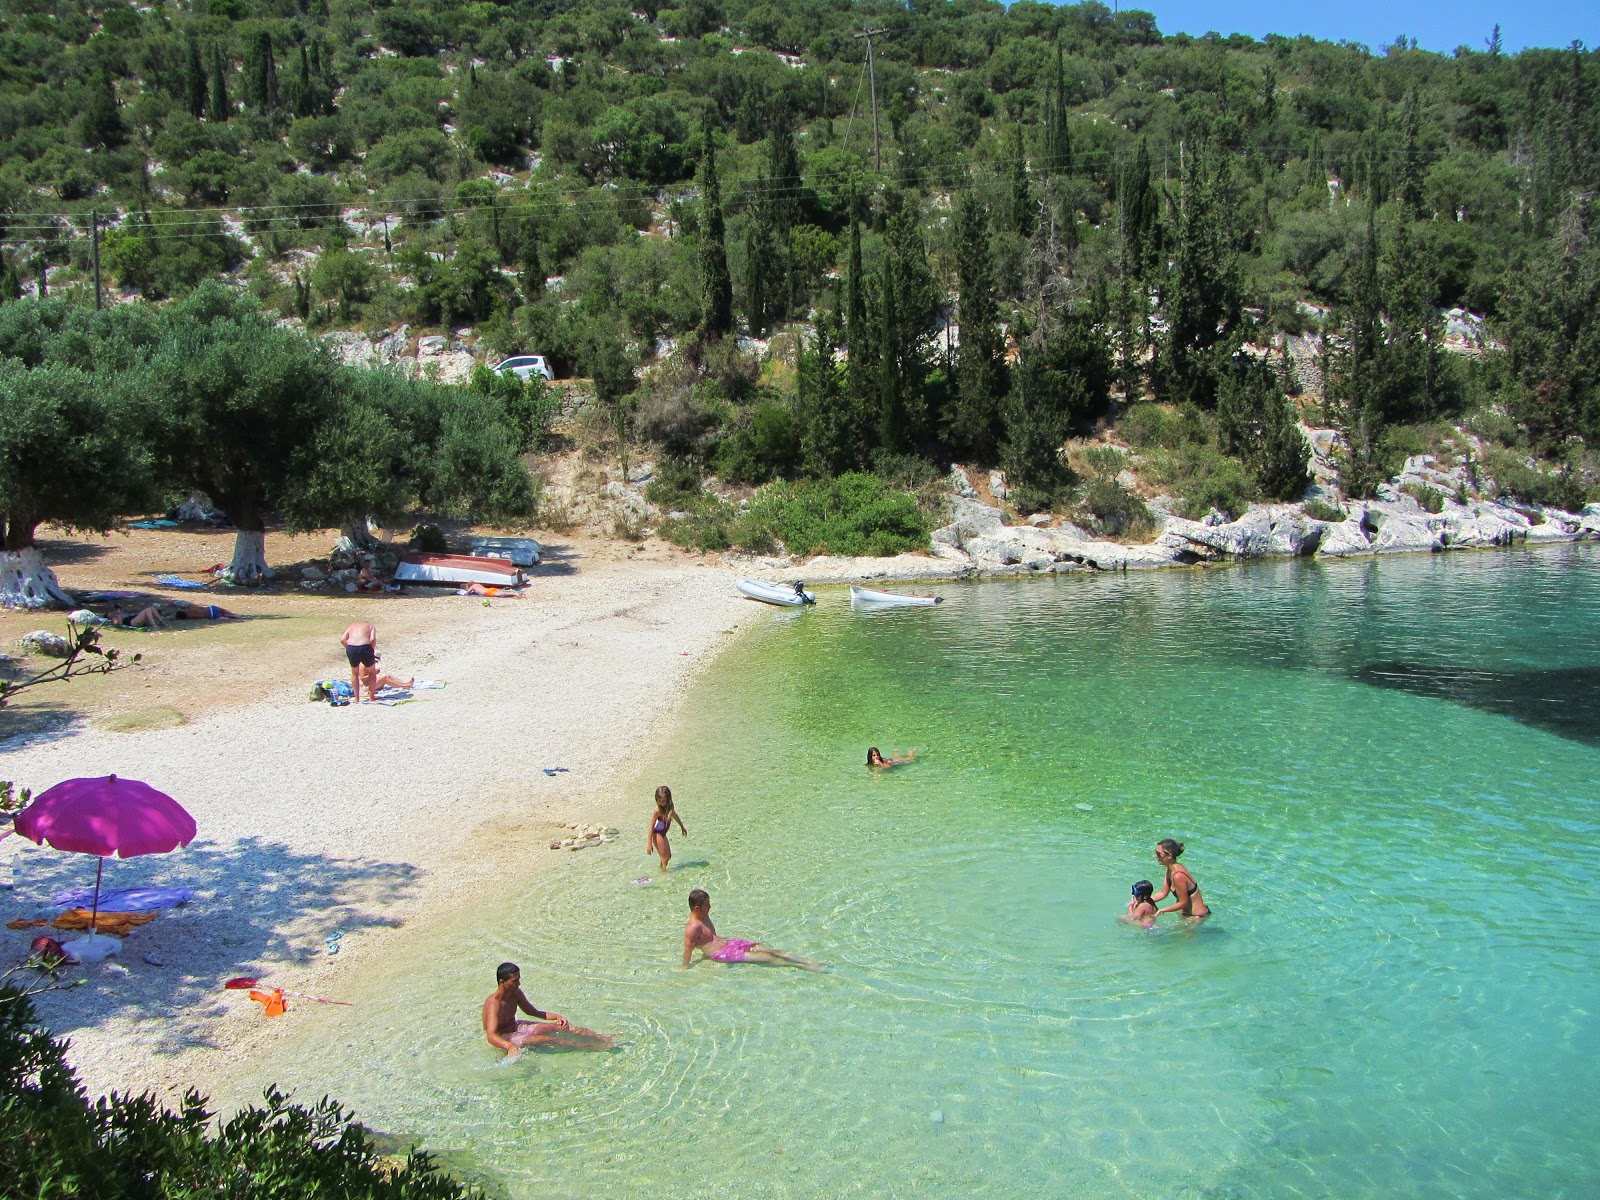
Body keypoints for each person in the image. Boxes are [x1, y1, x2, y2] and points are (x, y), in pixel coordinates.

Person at [482, 962, 612, 1057]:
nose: (518, 984)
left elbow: (533, 1012)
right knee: (546, 1039)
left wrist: (556, 1016)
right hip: (505, 1037)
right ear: (502, 982)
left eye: (519, 980)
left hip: (516, 1027)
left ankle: (604, 1038)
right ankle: (590, 1047)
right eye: (514, 981)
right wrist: (509, 1046)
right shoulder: (494, 1003)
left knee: (563, 1027)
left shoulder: (516, 993)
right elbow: (491, 1036)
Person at [683, 888, 824, 971]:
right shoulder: (693, 928)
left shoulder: (704, 916)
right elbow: (688, 950)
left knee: (770, 950)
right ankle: (803, 967)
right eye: (707, 905)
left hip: (729, 944)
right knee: (767, 958)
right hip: (722, 953)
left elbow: (711, 937)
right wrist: (685, 968)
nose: (710, 907)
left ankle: (807, 961)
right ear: (697, 908)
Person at [1150, 840, 1210, 920]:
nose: (1156, 856)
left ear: (1169, 856)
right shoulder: (1170, 869)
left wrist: (1162, 910)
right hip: (1186, 914)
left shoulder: (1178, 875)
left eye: (1159, 854)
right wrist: (1143, 900)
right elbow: (1163, 893)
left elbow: (1183, 903)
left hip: (1196, 917)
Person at [646, 785, 687, 873]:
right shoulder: (657, 810)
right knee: (664, 858)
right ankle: (664, 876)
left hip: (663, 834)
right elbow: (651, 827)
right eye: (659, 801)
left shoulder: (670, 807)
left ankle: (661, 870)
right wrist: (649, 844)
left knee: (668, 856)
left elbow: (675, 816)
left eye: (664, 800)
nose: (662, 803)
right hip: (657, 834)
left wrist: (682, 827)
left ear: (668, 798)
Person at [339, 621, 380, 703]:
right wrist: (371, 649)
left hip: (351, 648)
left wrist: (348, 648)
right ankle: (372, 697)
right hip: (365, 647)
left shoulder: (352, 626)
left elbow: (343, 639)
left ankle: (356, 698)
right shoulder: (370, 626)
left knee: (354, 673)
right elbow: (372, 639)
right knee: (372, 672)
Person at [172, 601, 239, 620]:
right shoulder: (191, 609)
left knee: (223, 615)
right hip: (210, 609)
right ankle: (234, 614)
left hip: (211, 615)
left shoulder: (190, 617)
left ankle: (233, 616)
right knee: (223, 610)